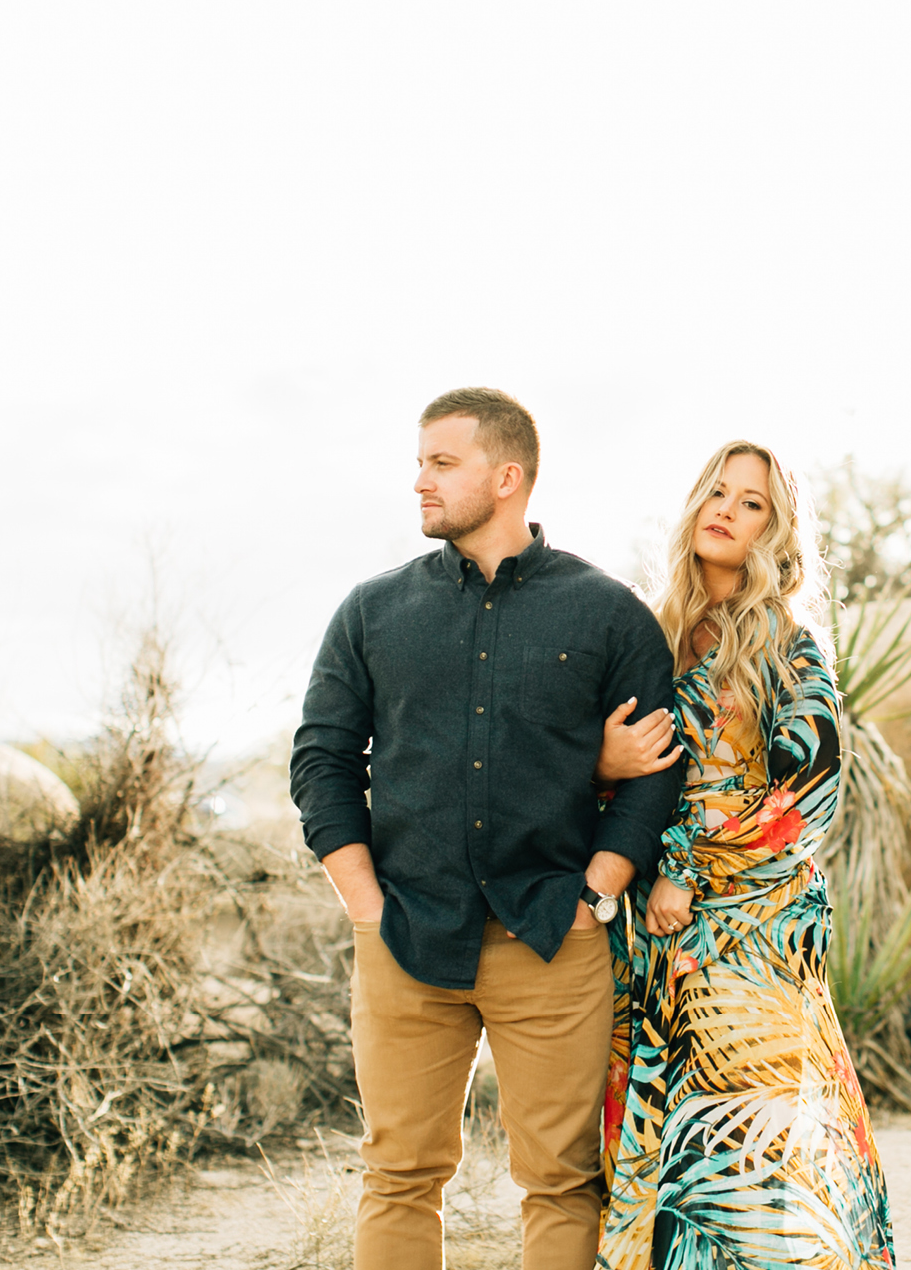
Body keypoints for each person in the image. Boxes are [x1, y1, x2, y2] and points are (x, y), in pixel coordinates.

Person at [289, 386, 686, 1270]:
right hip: (405, 934)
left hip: (554, 935)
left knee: (561, 1179)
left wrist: (600, 890)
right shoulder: (372, 611)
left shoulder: (606, 611)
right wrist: (364, 906)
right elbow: (321, 760)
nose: (419, 481)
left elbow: (659, 771)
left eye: (442, 462)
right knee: (398, 1174)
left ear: (508, 477)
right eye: (419, 461)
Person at [591, 440, 895, 1270]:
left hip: (752, 937)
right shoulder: (648, 632)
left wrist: (688, 869)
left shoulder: (789, 646)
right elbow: (612, 772)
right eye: (717, 492)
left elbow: (811, 795)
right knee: (672, 1168)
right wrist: (607, 773)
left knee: (754, 1159)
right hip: (653, 939)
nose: (726, 508)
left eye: (751, 501)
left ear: (777, 529)